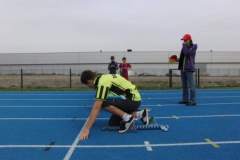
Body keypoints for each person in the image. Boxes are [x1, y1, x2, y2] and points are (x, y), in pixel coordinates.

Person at [79, 70, 149, 140]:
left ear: (89, 81)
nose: (89, 87)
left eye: (87, 85)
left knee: (102, 102)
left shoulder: (102, 83)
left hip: (133, 100)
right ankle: (140, 114)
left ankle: (128, 118)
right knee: (113, 123)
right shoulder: (102, 78)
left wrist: (86, 128)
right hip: (130, 99)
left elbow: (97, 107)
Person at [178, 33, 197, 106]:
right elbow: (183, 58)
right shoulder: (185, 47)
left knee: (191, 85)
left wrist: (184, 46)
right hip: (183, 68)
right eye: (183, 40)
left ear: (189, 40)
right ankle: (185, 99)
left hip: (189, 68)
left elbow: (187, 53)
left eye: (185, 40)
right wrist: (177, 60)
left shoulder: (193, 46)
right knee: (184, 86)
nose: (184, 41)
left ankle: (193, 100)